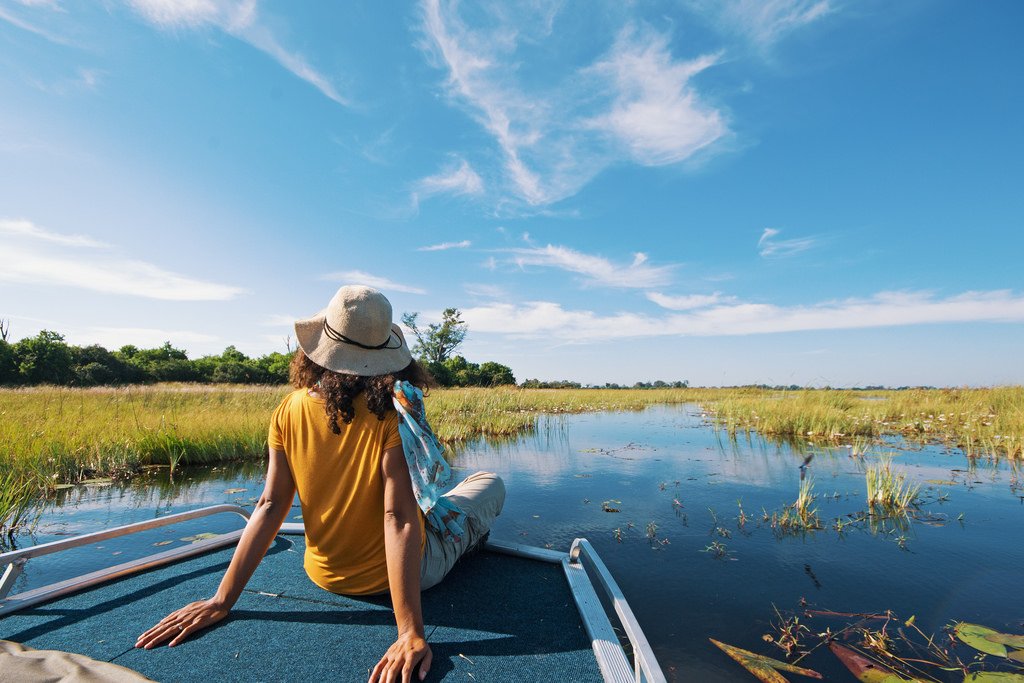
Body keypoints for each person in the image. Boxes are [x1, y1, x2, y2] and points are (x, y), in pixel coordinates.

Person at [135, 285, 506, 683]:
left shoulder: (288, 408)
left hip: (324, 574)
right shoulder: (394, 415)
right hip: (400, 577)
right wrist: (409, 632)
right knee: (488, 482)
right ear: (386, 355)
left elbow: (268, 505)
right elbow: (397, 519)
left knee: (438, 504)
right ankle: (466, 542)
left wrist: (221, 600)